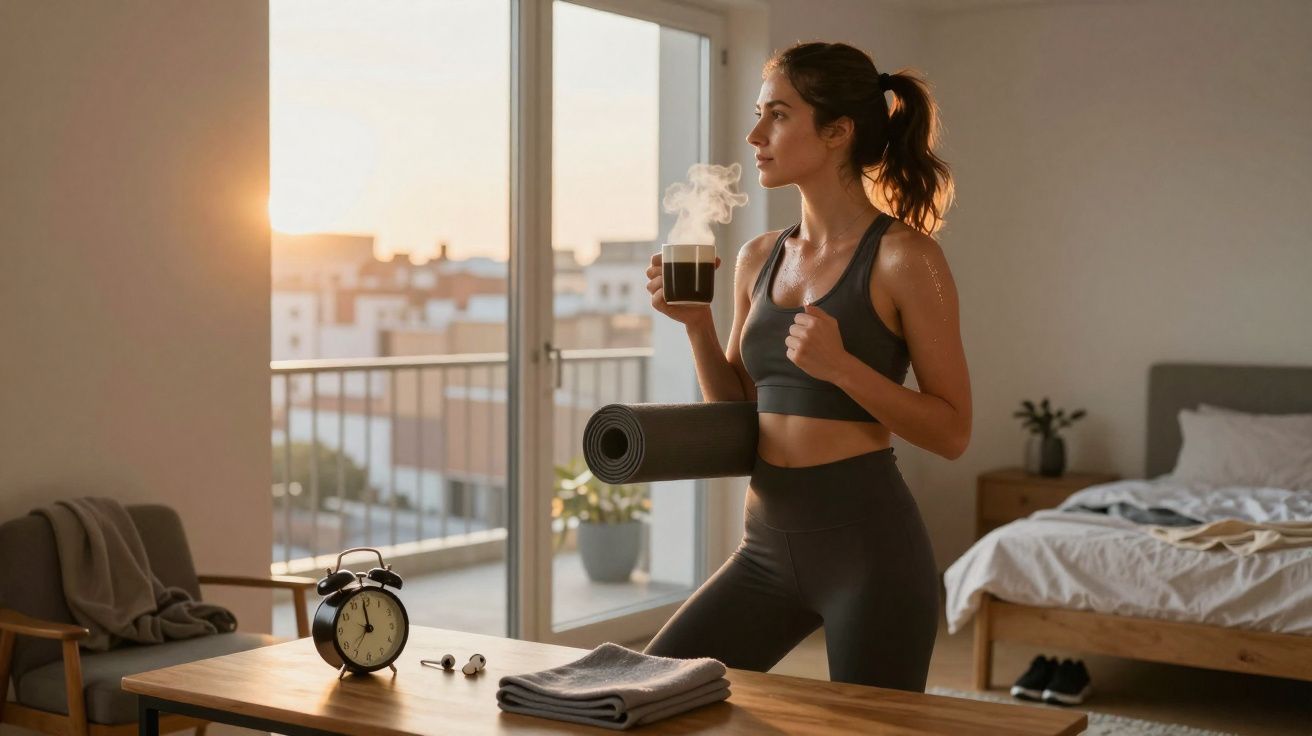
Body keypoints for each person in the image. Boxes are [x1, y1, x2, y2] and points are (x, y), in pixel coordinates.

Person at [641, 41, 971, 692]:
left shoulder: (907, 258)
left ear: (838, 131)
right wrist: (698, 325)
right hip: (764, 547)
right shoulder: (758, 257)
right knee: (648, 692)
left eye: (779, 115)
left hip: (869, 552)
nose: (755, 133)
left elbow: (952, 431)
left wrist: (844, 368)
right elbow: (736, 409)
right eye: (760, 114)